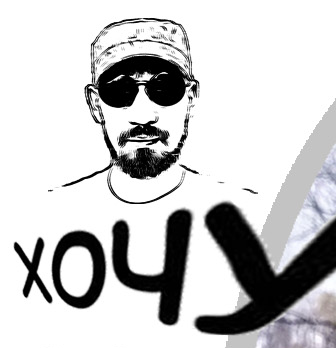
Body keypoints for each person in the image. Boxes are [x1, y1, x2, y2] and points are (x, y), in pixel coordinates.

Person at [57, 17, 255, 206]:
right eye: (120, 91)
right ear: (94, 104)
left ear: (191, 97)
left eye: (164, 89)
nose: (143, 116)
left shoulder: (251, 214)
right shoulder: (50, 216)